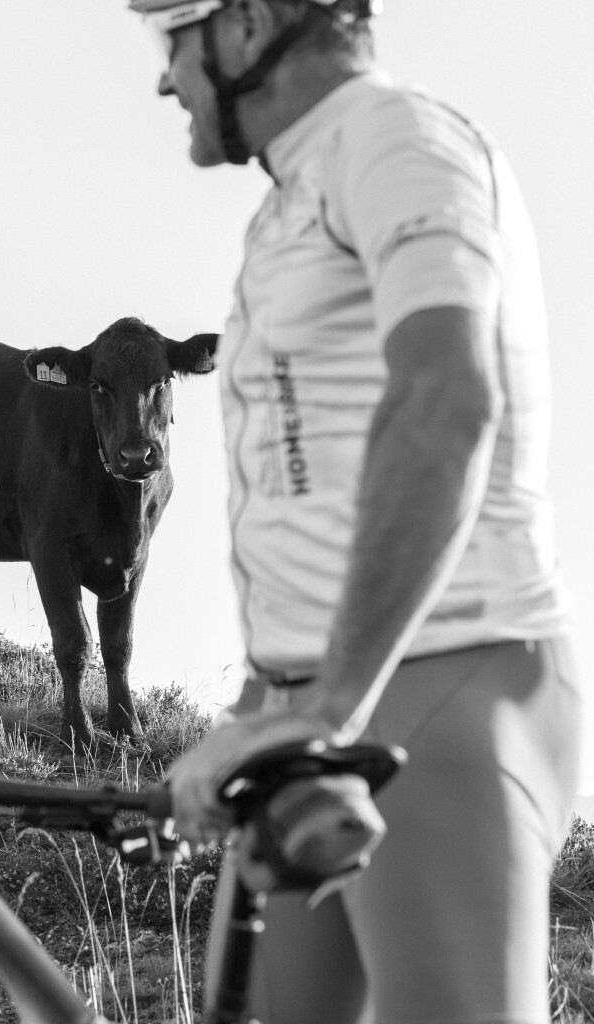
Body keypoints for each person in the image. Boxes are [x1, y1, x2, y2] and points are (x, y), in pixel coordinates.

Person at [127, 1, 585, 1022]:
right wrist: (271, 706)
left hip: (436, 680)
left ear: (245, 25)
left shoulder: (398, 141)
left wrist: (327, 707)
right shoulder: (301, 187)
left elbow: (446, 402)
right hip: (310, 701)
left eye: (169, 35)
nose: (164, 79)